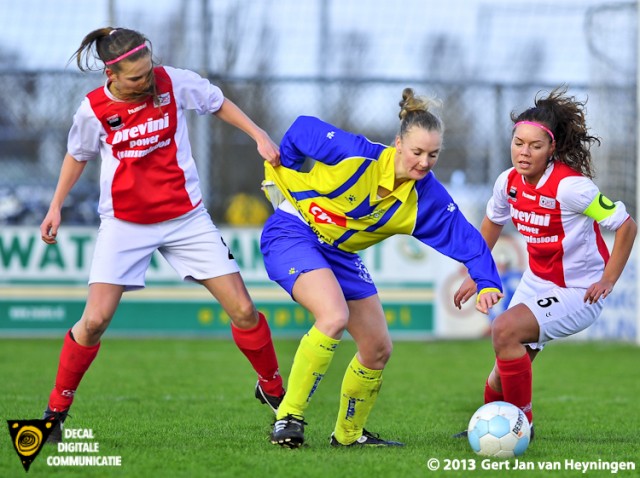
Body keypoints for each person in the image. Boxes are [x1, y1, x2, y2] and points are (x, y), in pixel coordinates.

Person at [39, 27, 286, 442]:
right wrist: (55, 205)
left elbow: (217, 102)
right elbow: (77, 155)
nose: (146, 81)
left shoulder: (171, 81)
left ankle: (277, 393)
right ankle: (55, 413)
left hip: (186, 219)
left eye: (148, 70)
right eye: (135, 78)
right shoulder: (94, 109)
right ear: (111, 73)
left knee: (243, 311)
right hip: (124, 223)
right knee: (95, 320)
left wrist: (258, 134)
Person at [259, 88, 504, 448]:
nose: (424, 162)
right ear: (398, 144)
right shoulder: (357, 156)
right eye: (417, 152)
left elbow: (466, 238)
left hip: (340, 253)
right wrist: (290, 176)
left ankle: (348, 436)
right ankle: (288, 418)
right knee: (333, 316)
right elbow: (300, 130)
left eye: (433, 155)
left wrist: (486, 281)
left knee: (377, 347)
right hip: (293, 231)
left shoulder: (427, 197)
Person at [453, 86, 637, 437]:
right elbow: (492, 222)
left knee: (503, 329)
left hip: (579, 290)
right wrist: (477, 273)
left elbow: (626, 226)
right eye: (518, 143)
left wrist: (609, 279)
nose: (524, 152)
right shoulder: (507, 182)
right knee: (502, 366)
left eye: (535, 146)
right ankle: (492, 425)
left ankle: (522, 426)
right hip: (538, 281)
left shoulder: (571, 188)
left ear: (551, 148)